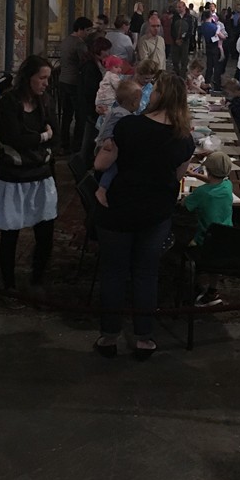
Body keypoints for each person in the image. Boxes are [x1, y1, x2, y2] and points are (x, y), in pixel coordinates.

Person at [92, 72, 195, 357]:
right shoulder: (184, 139)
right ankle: (144, 337)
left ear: (158, 95)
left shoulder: (128, 125)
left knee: (114, 273)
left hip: (119, 207)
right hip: (155, 212)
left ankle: (109, 336)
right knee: (146, 273)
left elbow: (103, 164)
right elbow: (177, 176)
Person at [0, 55, 58, 296]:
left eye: (48, 78)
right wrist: (42, 137)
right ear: (28, 78)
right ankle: (9, 285)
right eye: (42, 78)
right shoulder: (9, 102)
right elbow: (13, 138)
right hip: (13, 177)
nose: (46, 83)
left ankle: (37, 279)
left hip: (40, 175)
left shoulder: (45, 101)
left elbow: (55, 133)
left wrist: (38, 139)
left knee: (45, 233)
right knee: (10, 233)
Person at [183, 150, 234, 306]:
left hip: (203, 241)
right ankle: (212, 290)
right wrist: (195, 175)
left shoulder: (202, 192)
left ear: (207, 169)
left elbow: (186, 205)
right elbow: (214, 182)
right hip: (225, 238)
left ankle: (192, 283)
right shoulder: (228, 185)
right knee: (215, 262)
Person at [93, 80, 143, 205]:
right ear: (134, 102)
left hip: (110, 145)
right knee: (113, 167)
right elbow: (109, 128)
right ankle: (102, 189)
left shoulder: (119, 111)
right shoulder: (120, 114)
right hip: (106, 147)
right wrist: (107, 139)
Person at [58, 16, 93, 152]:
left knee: (66, 115)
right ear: (80, 29)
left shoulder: (66, 40)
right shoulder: (79, 44)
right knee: (80, 114)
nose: (88, 33)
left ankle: (64, 142)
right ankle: (77, 144)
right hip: (74, 82)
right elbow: (85, 62)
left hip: (63, 80)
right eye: (87, 30)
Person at [78, 36, 112, 165]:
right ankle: (83, 163)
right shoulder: (90, 66)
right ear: (98, 50)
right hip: (91, 106)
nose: (108, 53)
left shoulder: (97, 63)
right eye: (105, 50)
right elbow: (90, 89)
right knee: (89, 135)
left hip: (94, 105)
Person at [171, 0, 193, 79]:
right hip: (175, 41)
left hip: (185, 42)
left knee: (184, 59)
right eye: (177, 7)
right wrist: (175, 39)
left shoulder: (189, 17)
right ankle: (176, 74)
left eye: (180, 7)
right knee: (175, 59)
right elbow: (172, 29)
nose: (178, 9)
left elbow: (190, 30)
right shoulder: (175, 17)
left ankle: (182, 76)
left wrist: (183, 39)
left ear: (184, 7)